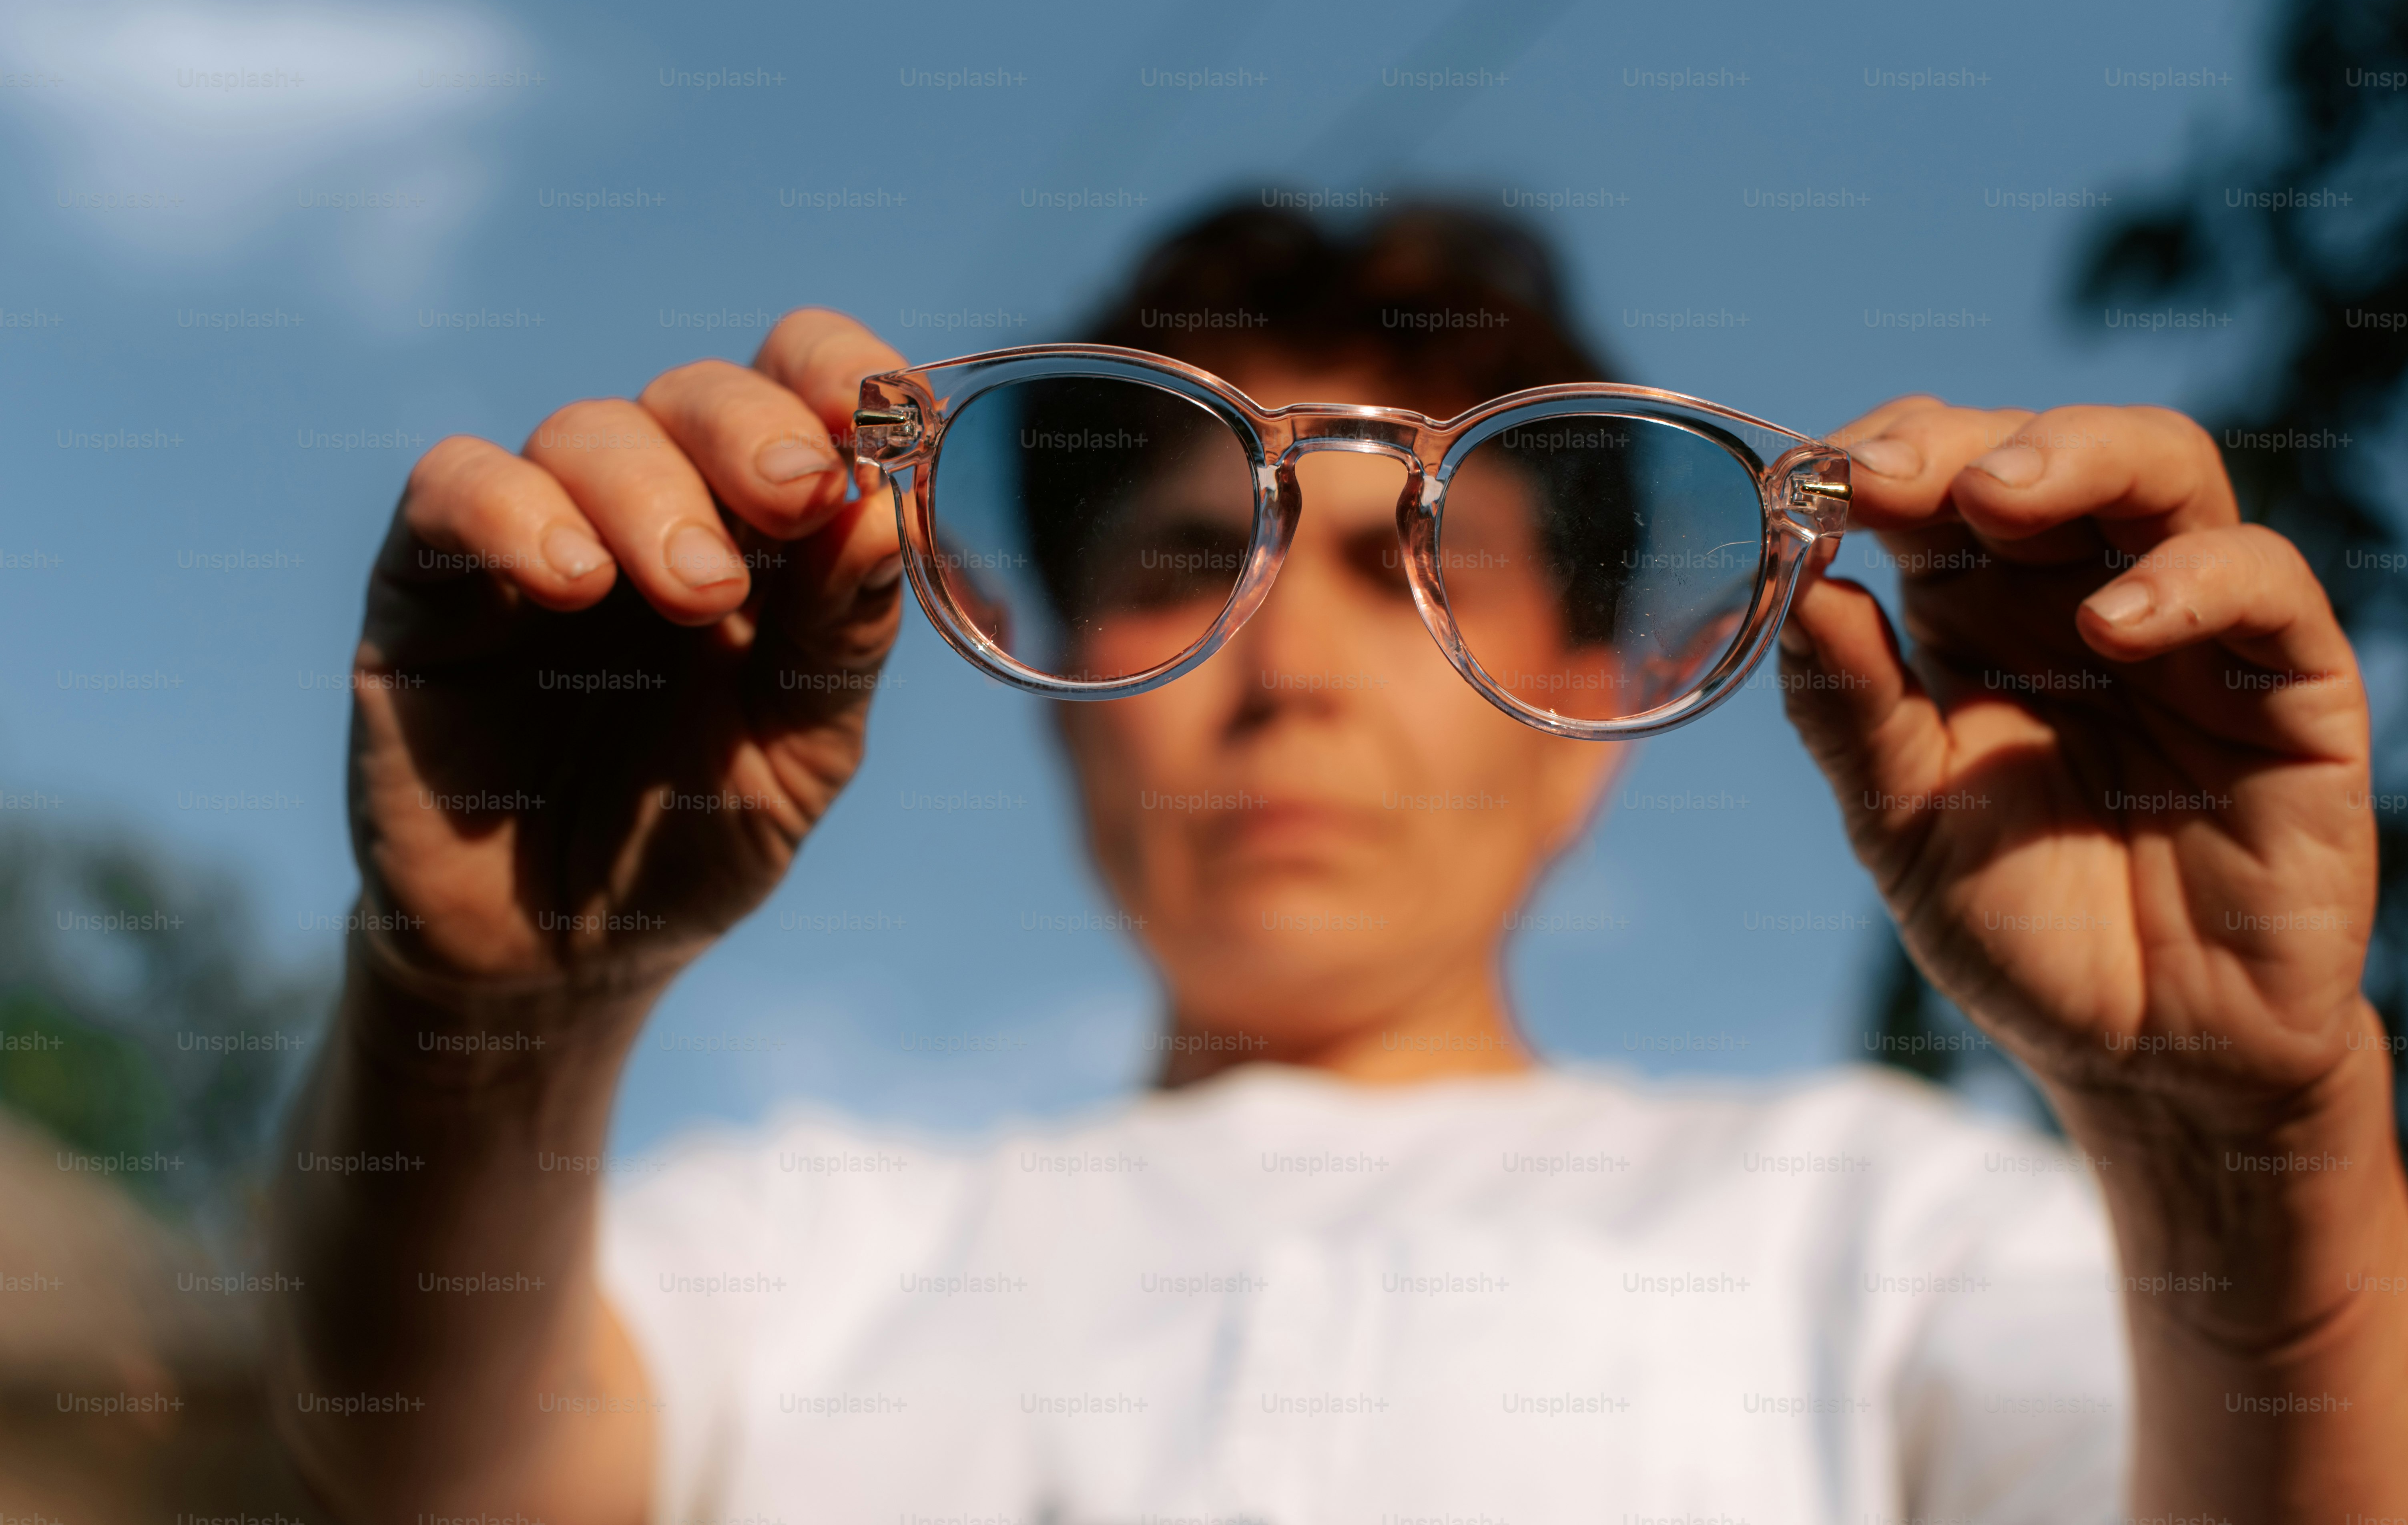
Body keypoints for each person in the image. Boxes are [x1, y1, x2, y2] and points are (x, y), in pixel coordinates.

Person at [268, 202, 2404, 1524]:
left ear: (1592, 718)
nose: (1286, 672)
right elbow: (438, 1455)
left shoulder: (1878, 1229)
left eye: (1408, 578)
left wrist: (2244, 1162)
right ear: (1053, 678)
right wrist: (485, 1019)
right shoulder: (807, 1239)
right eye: (1189, 563)